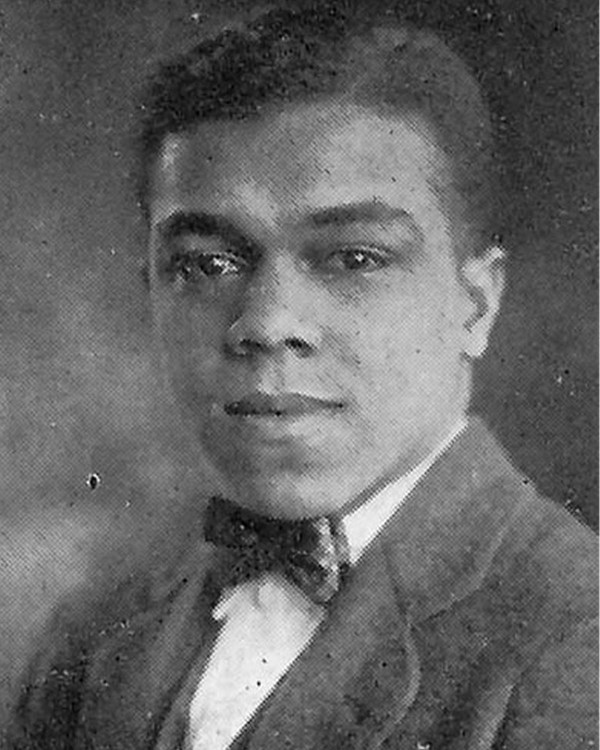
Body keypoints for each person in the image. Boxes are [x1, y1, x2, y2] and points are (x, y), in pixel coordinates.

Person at [7, 4, 597, 749]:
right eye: (207, 264)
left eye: (355, 258)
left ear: (474, 306)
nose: (265, 322)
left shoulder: (577, 642)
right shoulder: (93, 635)